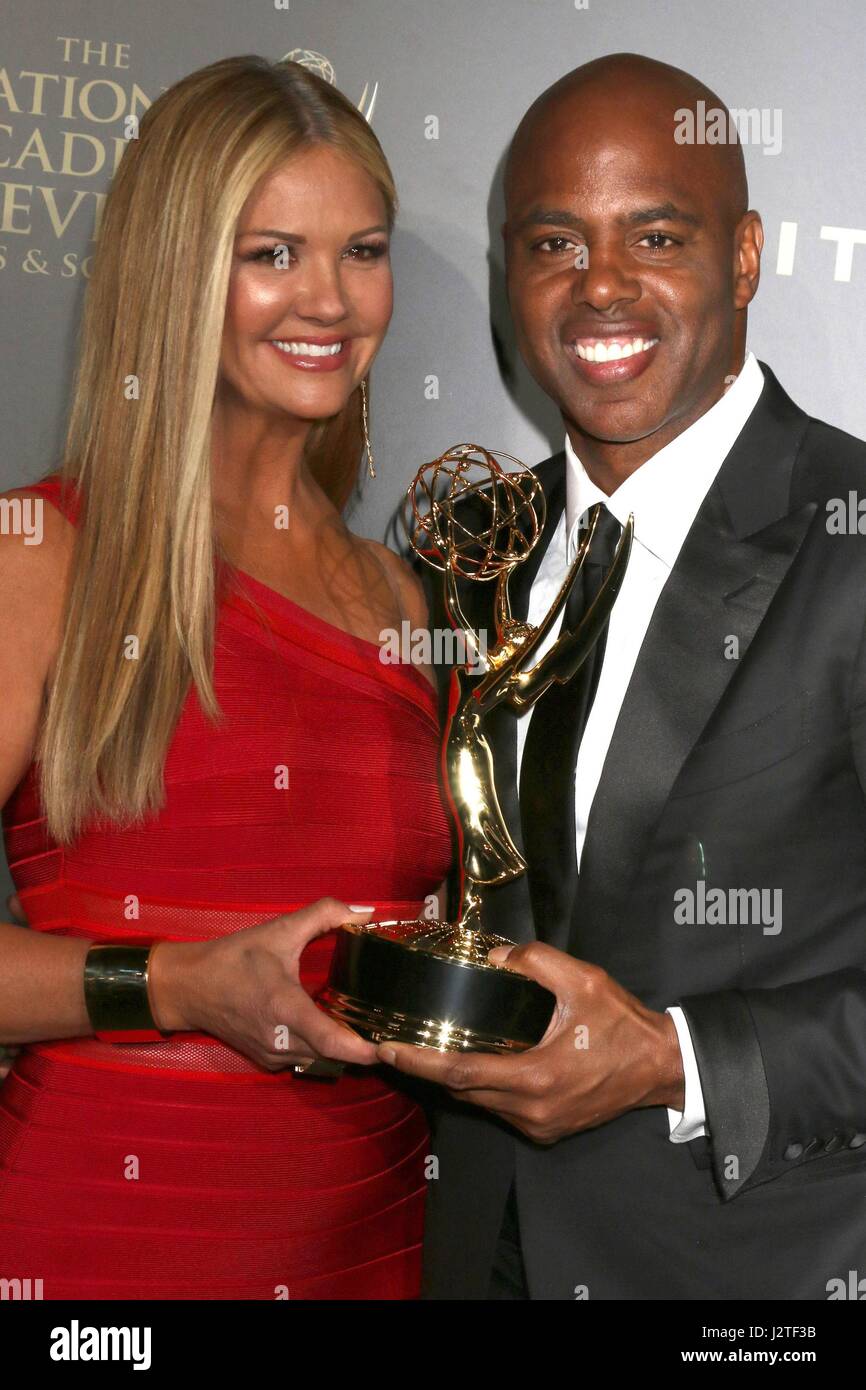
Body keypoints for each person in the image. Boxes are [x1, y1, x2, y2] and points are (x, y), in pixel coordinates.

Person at [382, 53, 866, 1299]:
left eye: (653, 235)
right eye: (552, 242)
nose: (599, 287)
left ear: (745, 255)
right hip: (465, 1252)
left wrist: (675, 1060)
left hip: (755, 1274)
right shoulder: (462, 551)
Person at [0, 55, 452, 1300]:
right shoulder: (40, 559)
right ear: (174, 271)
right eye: (271, 254)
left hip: (367, 1234)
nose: (328, 299)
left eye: (361, 249)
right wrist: (179, 983)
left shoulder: (411, 601)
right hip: (105, 1245)